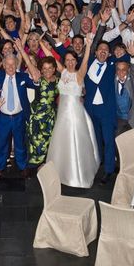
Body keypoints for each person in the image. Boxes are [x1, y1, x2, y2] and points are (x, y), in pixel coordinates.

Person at [47, 35, 100, 188]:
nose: (70, 62)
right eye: (67, 60)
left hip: (75, 114)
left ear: (76, 61)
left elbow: (85, 62)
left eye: (72, 60)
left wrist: (88, 45)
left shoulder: (79, 75)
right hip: (62, 114)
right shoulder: (62, 72)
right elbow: (50, 56)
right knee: (61, 143)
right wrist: (44, 45)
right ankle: (61, 172)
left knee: (76, 143)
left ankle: (78, 175)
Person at [0, 54, 37, 179]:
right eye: (7, 64)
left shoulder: (23, 77)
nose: (10, 67)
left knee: (20, 144)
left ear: (16, 65)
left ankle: (22, 167)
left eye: (13, 64)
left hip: (18, 116)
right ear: (3, 65)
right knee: (2, 144)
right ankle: (0, 167)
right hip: (2, 117)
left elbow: (37, 83)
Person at [82, 38, 119, 185]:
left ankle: (109, 170)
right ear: (95, 52)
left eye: (106, 50)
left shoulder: (112, 65)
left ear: (109, 54)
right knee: (95, 140)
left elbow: (127, 57)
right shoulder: (88, 62)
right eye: (100, 49)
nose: (103, 51)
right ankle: (98, 165)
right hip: (90, 109)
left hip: (106, 110)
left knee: (108, 140)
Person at [18, 40, 59, 168]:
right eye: (44, 68)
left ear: (54, 69)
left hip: (51, 116)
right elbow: (29, 63)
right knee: (36, 141)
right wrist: (20, 48)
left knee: (50, 141)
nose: (47, 71)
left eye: (50, 68)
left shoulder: (59, 80)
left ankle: (47, 166)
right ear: (41, 69)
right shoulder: (38, 78)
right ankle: (33, 167)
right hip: (37, 116)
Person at [115, 58, 134, 134]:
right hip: (119, 119)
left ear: (128, 70)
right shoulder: (112, 80)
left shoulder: (133, 80)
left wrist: (133, 56)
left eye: (124, 69)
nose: (121, 72)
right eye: (118, 69)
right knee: (120, 143)